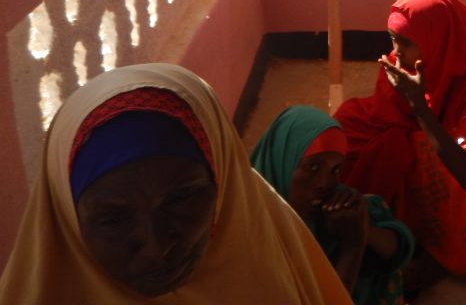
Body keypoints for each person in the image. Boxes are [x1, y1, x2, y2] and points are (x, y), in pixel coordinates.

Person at [0, 63, 351, 304]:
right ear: (65, 215)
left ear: (224, 183)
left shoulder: (272, 257)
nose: (156, 248)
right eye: (113, 219)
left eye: (180, 200)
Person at [334, 0, 466, 288]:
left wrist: (419, 107)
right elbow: (384, 118)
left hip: (463, 171)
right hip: (426, 162)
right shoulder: (398, 66)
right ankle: (384, 230)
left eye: (407, 42)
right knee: (349, 125)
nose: (397, 51)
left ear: (440, 42)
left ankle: (441, 257)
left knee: (425, 152)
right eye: (393, 38)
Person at [251, 105, 415, 305]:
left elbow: (399, 248)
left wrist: (363, 229)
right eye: (312, 167)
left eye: (335, 171)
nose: (323, 183)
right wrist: (352, 248)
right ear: (282, 160)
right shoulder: (250, 234)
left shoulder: (333, 206)